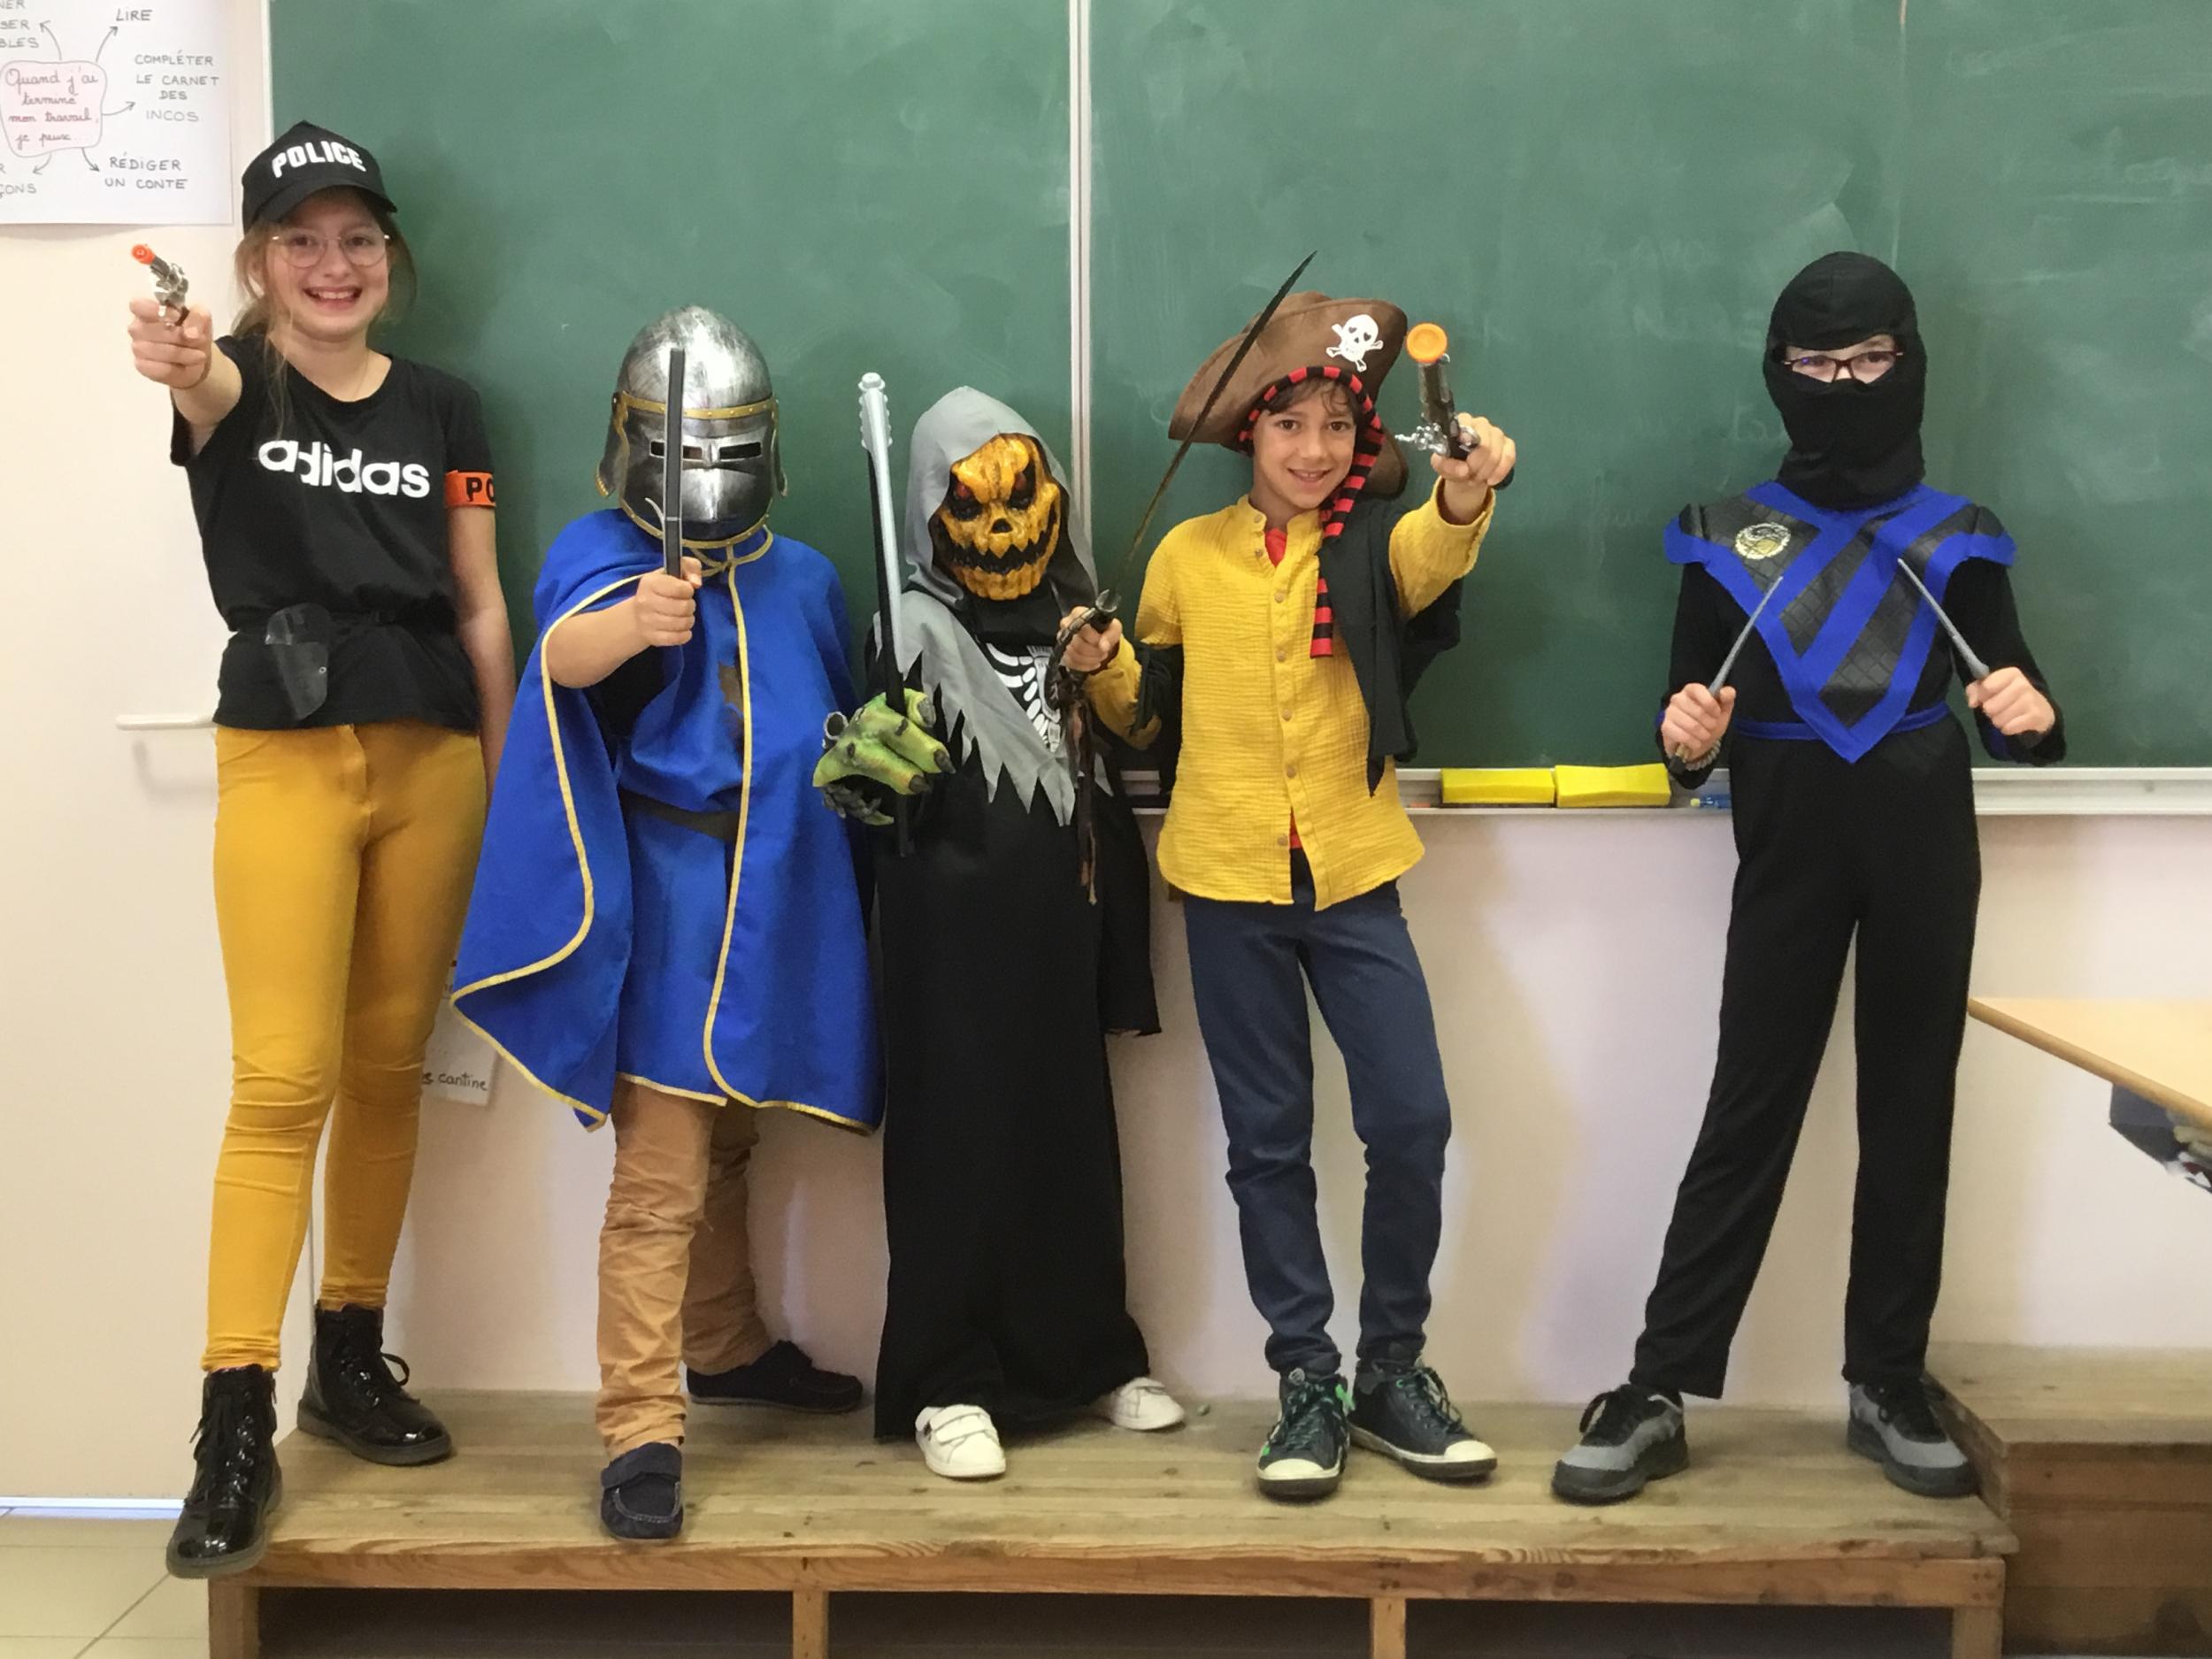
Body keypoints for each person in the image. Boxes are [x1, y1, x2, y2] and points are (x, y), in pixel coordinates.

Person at [1552, 251, 2063, 1507]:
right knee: (1750, 1103)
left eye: (1869, 361)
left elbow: (2017, 705)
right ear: (1778, 371)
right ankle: (1658, 1384)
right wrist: (1682, 741)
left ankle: (1886, 1376)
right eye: (1817, 365)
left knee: (1911, 1104)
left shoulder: (1958, 536)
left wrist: (2030, 715)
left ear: (1909, 361)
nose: (1844, 386)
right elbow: (1683, 724)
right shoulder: (1728, 539)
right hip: (1788, 833)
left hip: (1923, 826)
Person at [131, 121, 515, 1578]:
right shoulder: (235, 383)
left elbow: (479, 600)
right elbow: (195, 379)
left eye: (357, 238)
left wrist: (505, 776)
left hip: (432, 756)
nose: (334, 264)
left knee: (386, 1070)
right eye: (301, 240)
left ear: (389, 255)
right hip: (286, 755)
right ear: (256, 264)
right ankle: (232, 1419)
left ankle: (348, 1356)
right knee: (282, 1082)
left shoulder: (447, 410)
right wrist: (179, 355)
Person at [452, 307, 877, 1540]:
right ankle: (640, 1424)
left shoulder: (804, 575)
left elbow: (831, 713)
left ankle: (725, 1343)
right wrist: (632, 625)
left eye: (727, 449)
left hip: (781, 891)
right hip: (674, 908)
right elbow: (562, 658)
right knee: (660, 1177)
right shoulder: (602, 554)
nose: (704, 474)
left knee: (735, 1141)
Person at [1086, 292, 1517, 1500]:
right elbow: (1146, 717)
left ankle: (1392, 1369)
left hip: (1354, 869)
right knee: (1268, 1141)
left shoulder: (1374, 543)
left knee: (1412, 1122)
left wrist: (1468, 491)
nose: (1315, 449)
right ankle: (1307, 1381)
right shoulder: (1185, 557)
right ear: (1250, 436)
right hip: (1225, 880)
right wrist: (1103, 666)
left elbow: (1440, 547)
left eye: (1337, 426)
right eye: (1291, 426)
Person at [816, 388, 1183, 1480]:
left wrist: (1103, 666)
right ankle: (946, 1381)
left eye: (1023, 498)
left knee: (1071, 1143)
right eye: (971, 506)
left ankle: (1087, 1357)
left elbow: (1143, 732)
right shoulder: (906, 629)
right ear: (931, 513)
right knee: (955, 1152)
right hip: (946, 942)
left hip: (1061, 935)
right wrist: (871, 762)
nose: (1003, 528)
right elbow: (873, 799)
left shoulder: (1079, 617)